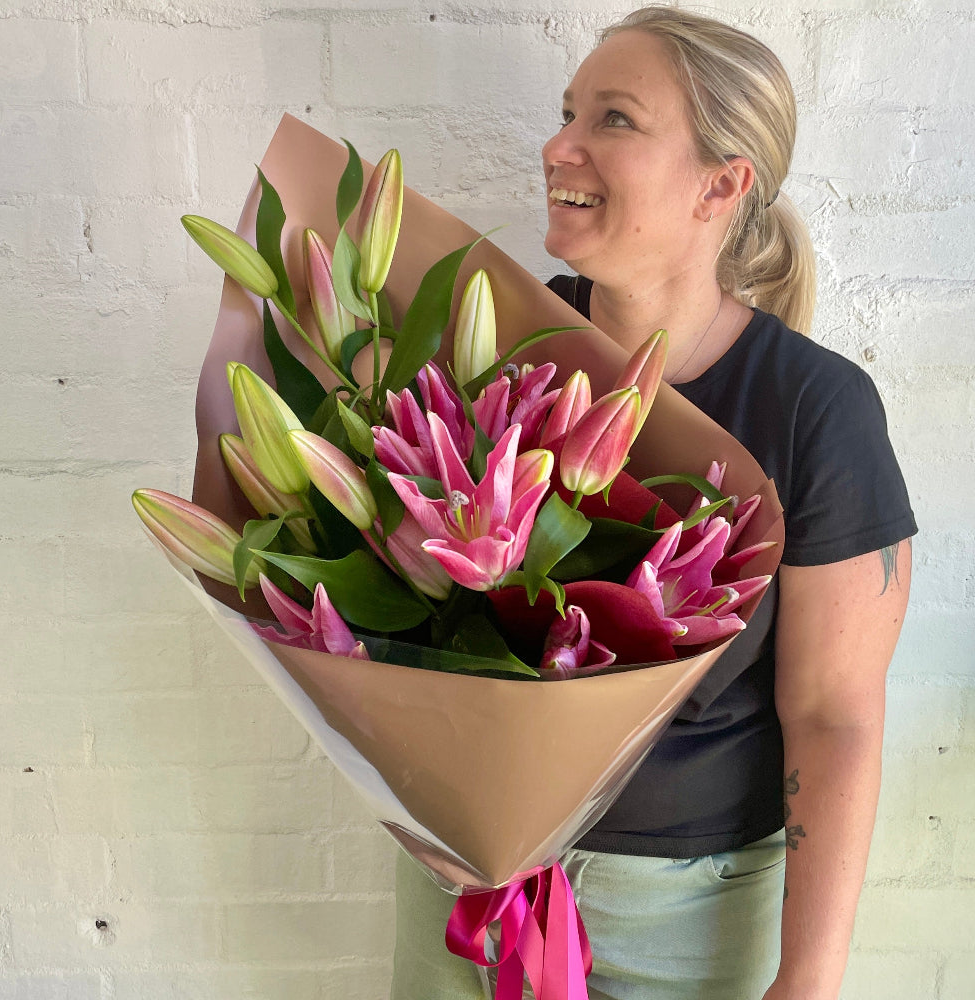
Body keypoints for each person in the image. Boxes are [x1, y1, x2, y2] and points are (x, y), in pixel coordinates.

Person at [391, 7, 916, 999]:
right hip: (463, 898)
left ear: (722, 183)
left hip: (683, 916)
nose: (557, 146)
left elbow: (833, 712)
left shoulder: (812, 409)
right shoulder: (495, 341)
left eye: (614, 119)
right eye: (566, 113)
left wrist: (807, 981)